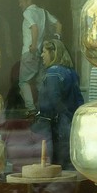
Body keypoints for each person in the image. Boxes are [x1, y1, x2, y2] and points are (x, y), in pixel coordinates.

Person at [33, 38, 83, 169]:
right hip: (70, 123)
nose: (42, 55)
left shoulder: (53, 73)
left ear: (53, 53)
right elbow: (79, 99)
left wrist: (62, 115)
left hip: (55, 124)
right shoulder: (72, 72)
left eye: (44, 52)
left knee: (54, 164)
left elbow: (54, 100)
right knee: (68, 161)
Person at [16, 0, 61, 112]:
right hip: (42, 52)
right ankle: (44, 108)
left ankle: (31, 109)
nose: (20, 4)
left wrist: (34, 46)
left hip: (30, 51)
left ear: (29, 0)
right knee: (40, 81)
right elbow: (58, 24)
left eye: (21, 1)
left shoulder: (27, 12)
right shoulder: (43, 12)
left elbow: (34, 27)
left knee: (23, 81)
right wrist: (56, 38)